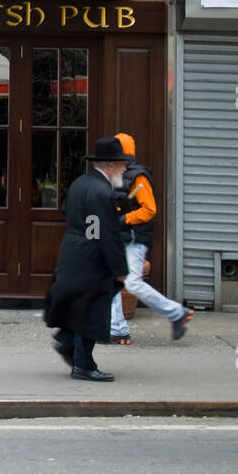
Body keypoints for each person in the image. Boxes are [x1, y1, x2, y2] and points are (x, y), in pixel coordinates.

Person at [44, 136, 131, 382]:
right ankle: (83, 365)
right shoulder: (101, 191)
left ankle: (66, 341)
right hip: (92, 258)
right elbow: (104, 233)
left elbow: (66, 211)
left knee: (79, 306)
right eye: (122, 165)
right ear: (111, 166)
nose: (125, 169)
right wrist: (119, 268)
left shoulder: (81, 183)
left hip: (73, 251)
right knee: (91, 311)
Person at [107, 132, 193, 345]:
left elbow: (150, 210)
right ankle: (117, 329)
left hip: (135, 238)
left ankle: (177, 313)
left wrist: (124, 218)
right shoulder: (120, 174)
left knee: (133, 284)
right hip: (124, 237)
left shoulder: (138, 176)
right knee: (113, 279)